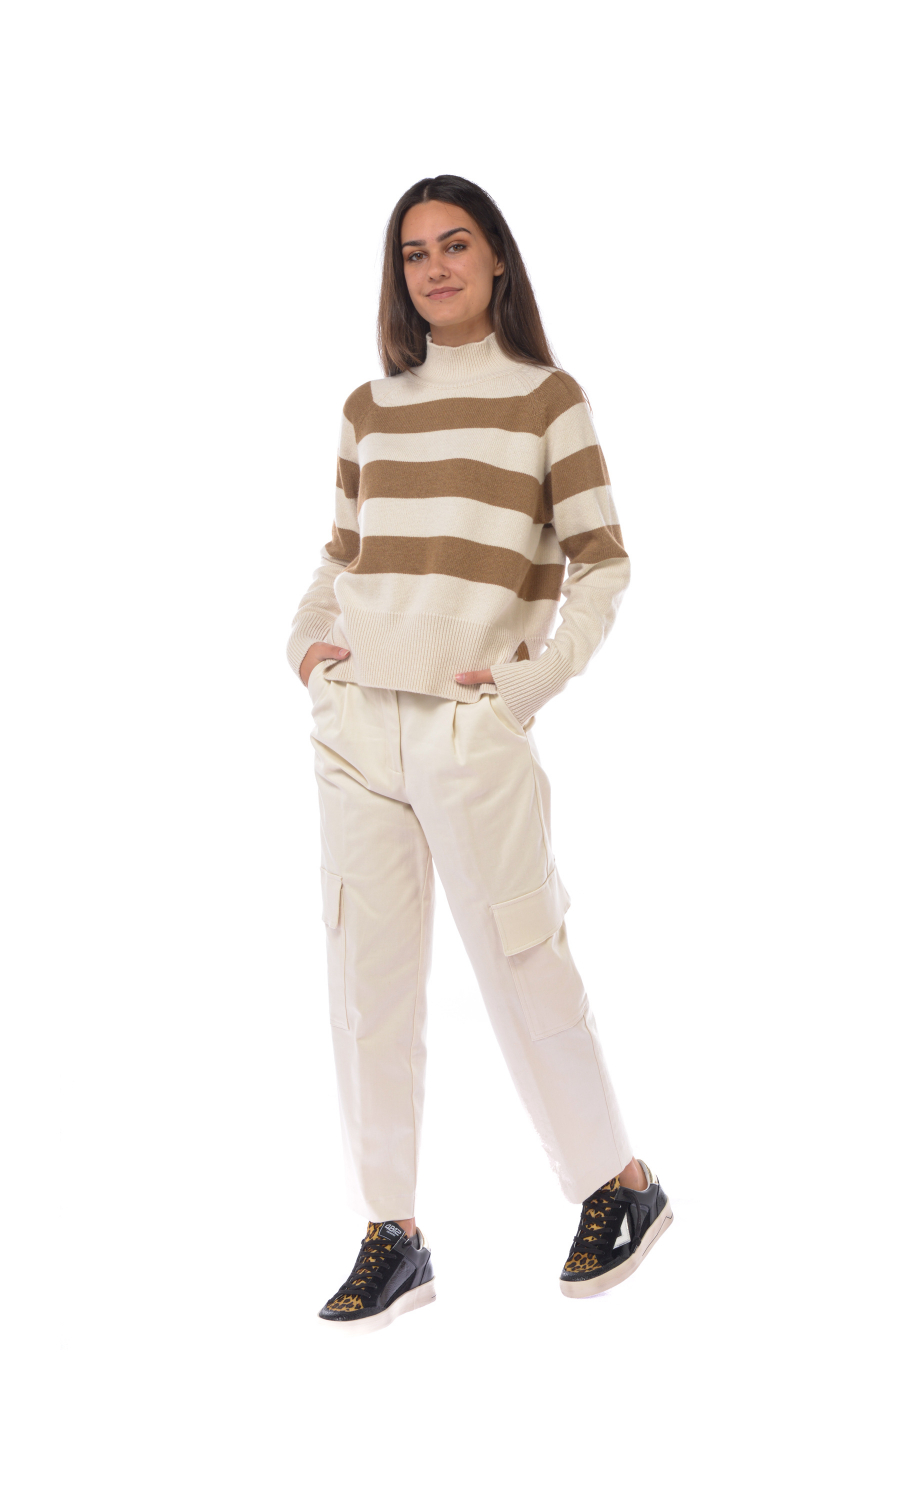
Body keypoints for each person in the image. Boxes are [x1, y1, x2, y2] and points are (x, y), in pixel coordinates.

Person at [286, 174, 673, 1333]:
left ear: (498, 258)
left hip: (469, 726)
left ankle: (617, 1184)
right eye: (414, 253)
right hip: (359, 725)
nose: (436, 268)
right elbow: (341, 549)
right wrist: (306, 647)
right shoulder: (369, 406)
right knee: (366, 985)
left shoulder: (548, 401)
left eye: (457, 245)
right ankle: (391, 1231)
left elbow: (604, 561)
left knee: (521, 958)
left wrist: (528, 684)